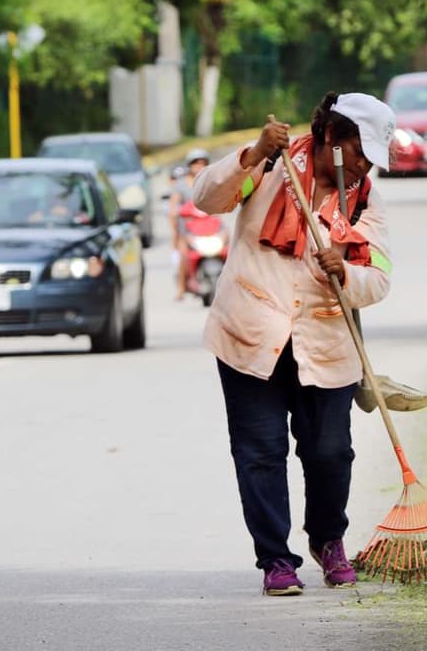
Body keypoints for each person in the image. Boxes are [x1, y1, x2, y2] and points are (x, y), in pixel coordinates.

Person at [191, 92, 394, 597]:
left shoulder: (366, 197)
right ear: (330, 139)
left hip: (325, 345)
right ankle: (276, 561)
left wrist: (344, 272)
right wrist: (255, 152)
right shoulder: (270, 165)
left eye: (371, 158)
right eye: (358, 151)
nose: (363, 166)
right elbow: (207, 198)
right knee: (260, 451)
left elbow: (381, 277)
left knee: (330, 452)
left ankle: (330, 541)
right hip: (251, 335)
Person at [169, 149, 210, 299]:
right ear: (190, 165)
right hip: (186, 228)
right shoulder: (181, 185)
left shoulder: (209, 182)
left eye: (202, 163)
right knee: (183, 256)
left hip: (206, 226)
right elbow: (173, 208)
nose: (199, 166)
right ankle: (180, 288)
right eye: (196, 163)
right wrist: (175, 229)